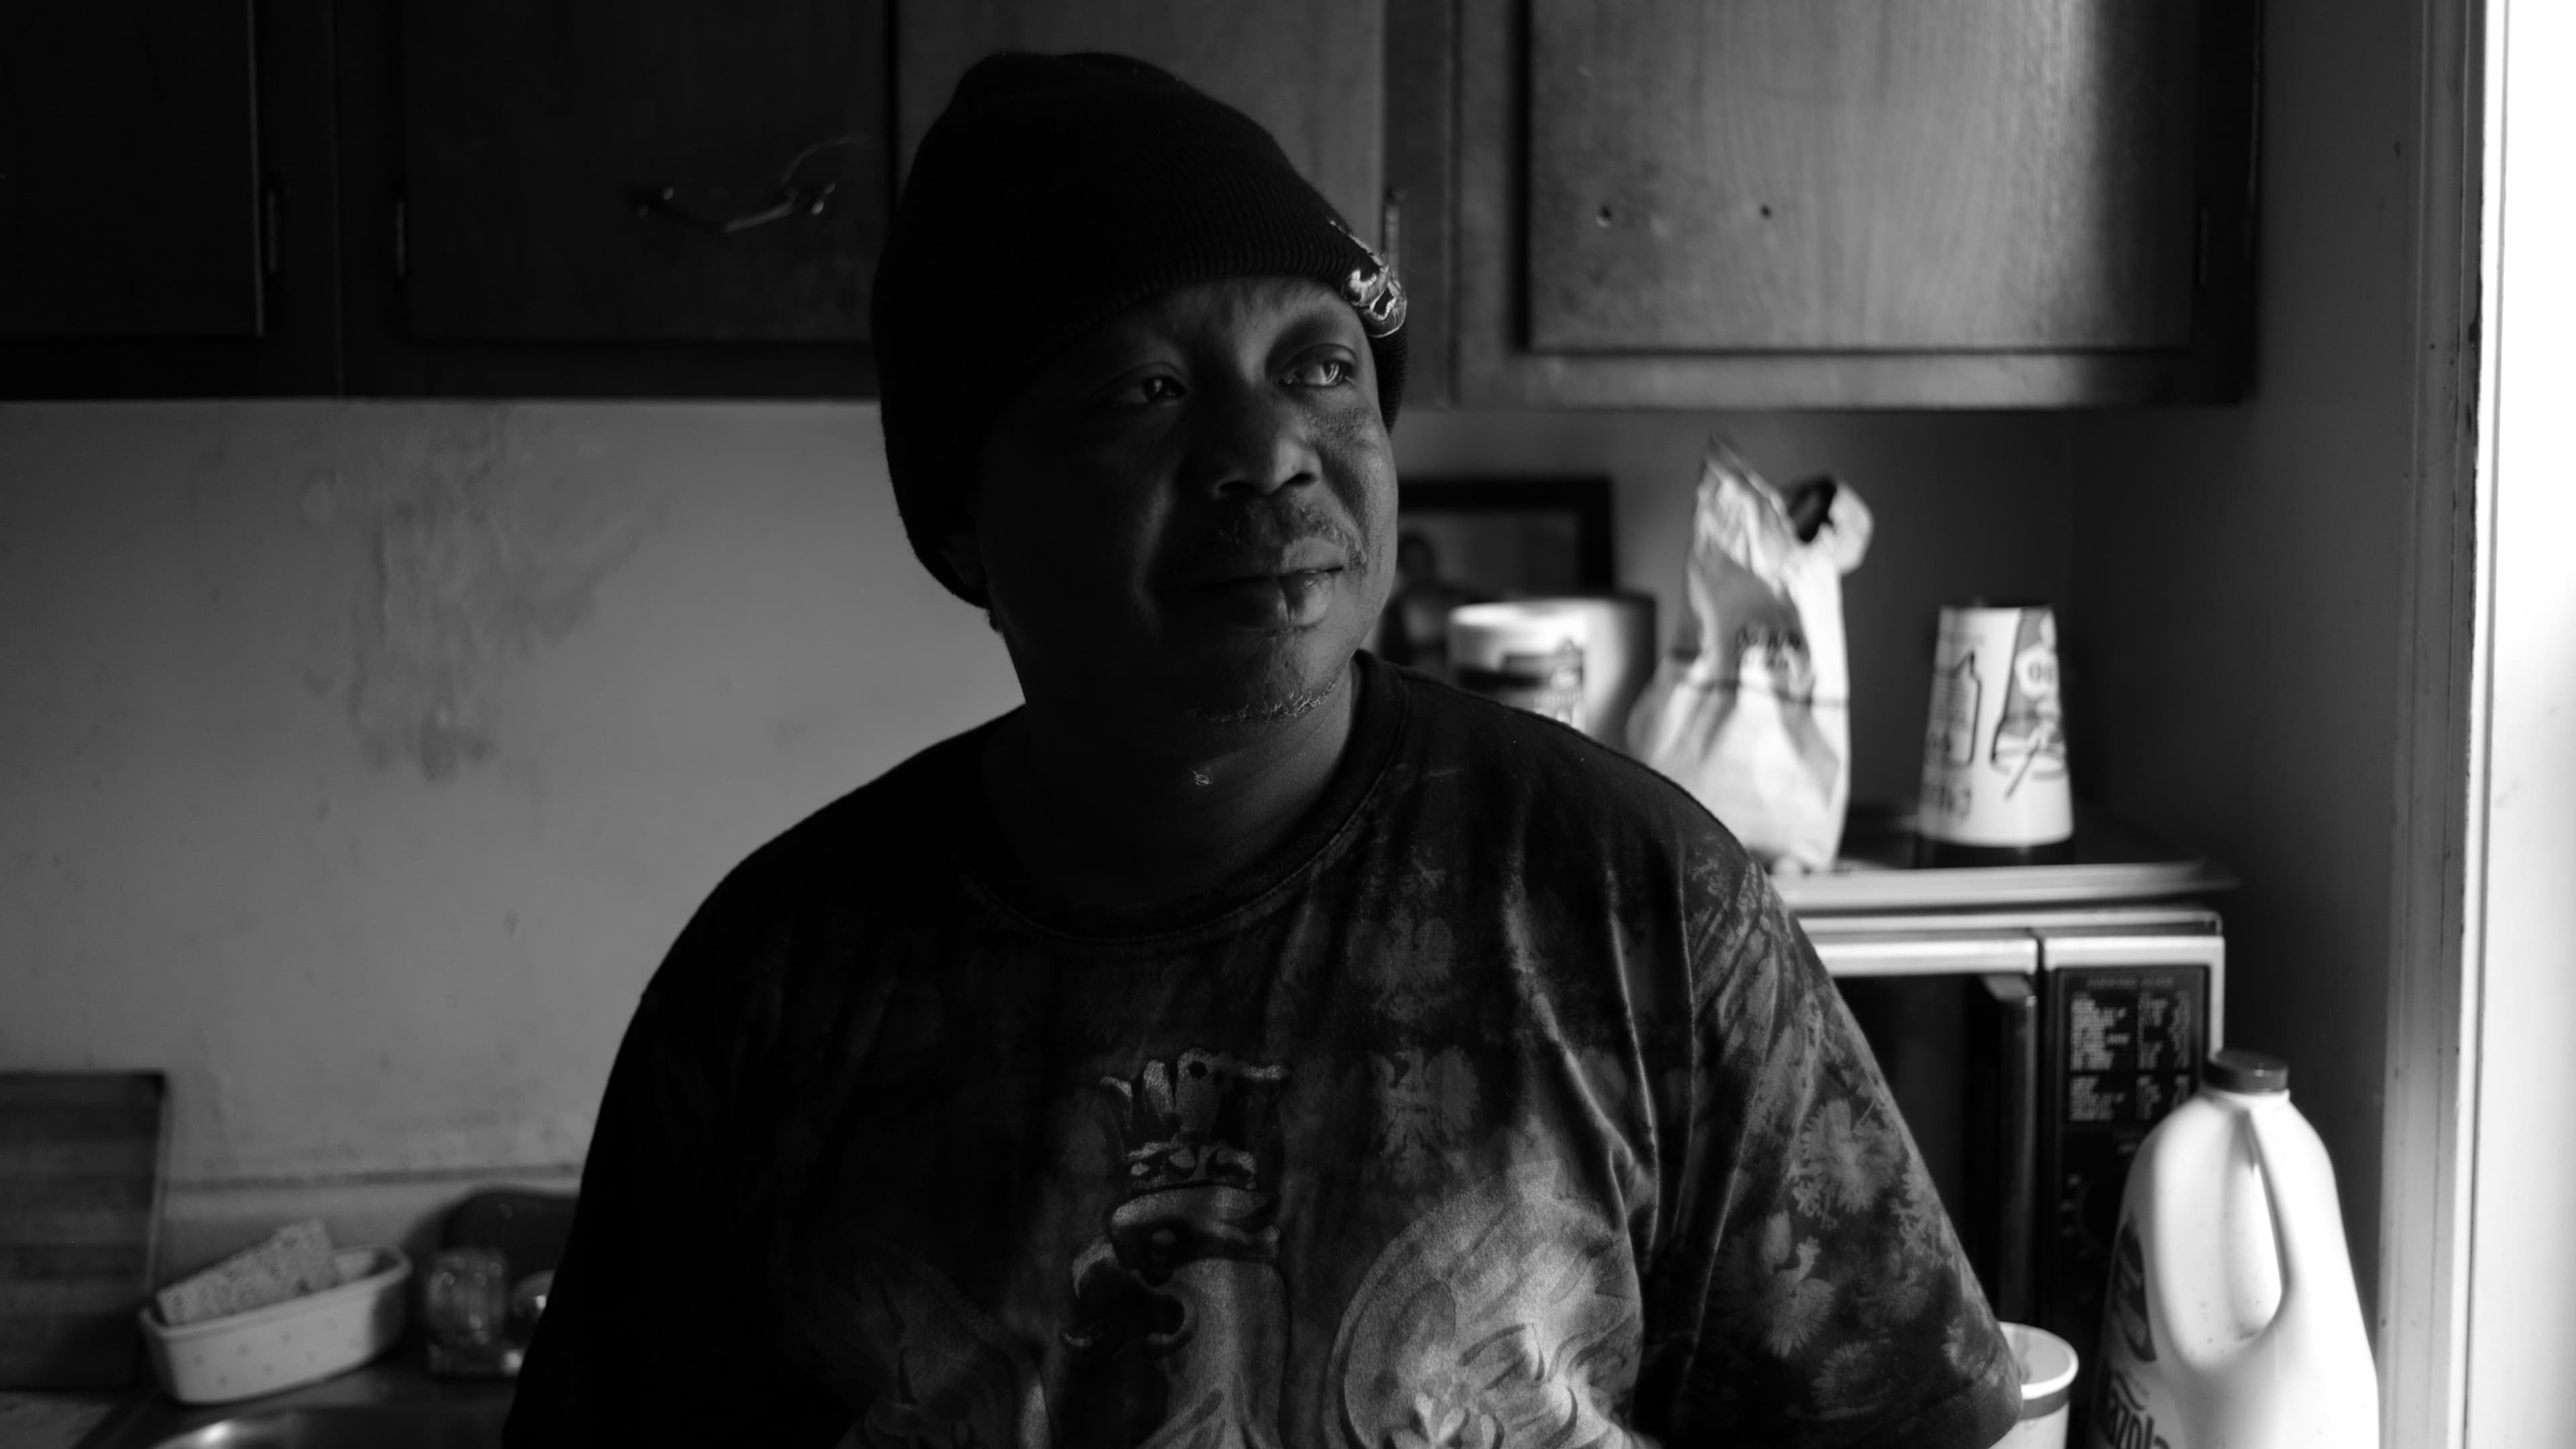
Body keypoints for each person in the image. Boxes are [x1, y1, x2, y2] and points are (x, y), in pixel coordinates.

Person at [507, 52, 2021, 1449]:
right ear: (966, 523)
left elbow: (1907, 1425)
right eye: (1144, 391)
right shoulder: (783, 984)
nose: (1268, 451)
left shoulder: (1631, 904)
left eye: (1318, 366)